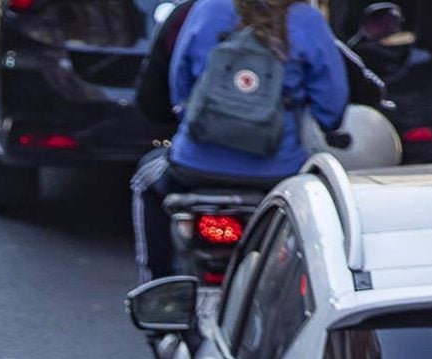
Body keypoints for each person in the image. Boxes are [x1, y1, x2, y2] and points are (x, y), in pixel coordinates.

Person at [129, 0, 347, 276]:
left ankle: (157, 287)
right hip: (279, 174)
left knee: (144, 181)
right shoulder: (306, 19)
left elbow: (179, 88)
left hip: (196, 166)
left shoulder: (207, 9)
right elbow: (332, 107)